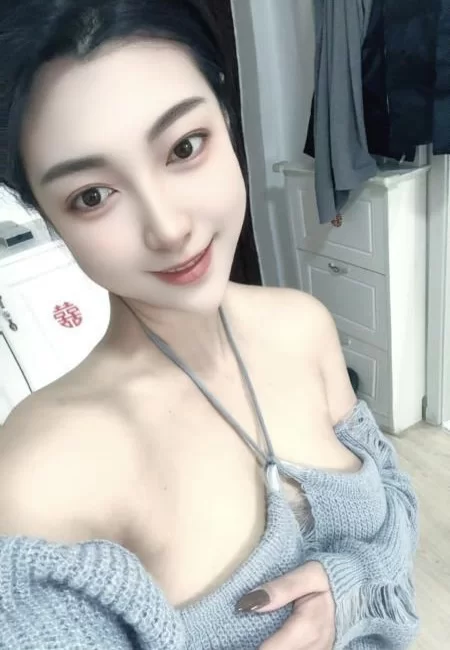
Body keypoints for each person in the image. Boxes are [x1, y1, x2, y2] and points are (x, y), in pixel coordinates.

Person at [0, 1, 419, 648]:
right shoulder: (38, 476)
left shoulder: (303, 325)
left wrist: (349, 589)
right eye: (92, 196)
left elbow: (394, 500)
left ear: (226, 118)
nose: (168, 228)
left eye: (184, 147)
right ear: (50, 219)